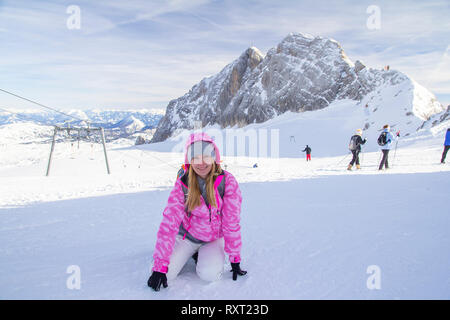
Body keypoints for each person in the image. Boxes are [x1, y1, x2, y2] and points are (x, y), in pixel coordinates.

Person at [147, 132, 247, 291]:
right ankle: (185, 252)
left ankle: (200, 254)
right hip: (188, 236)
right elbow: (169, 222)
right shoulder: (183, 184)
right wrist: (160, 266)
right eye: (195, 157)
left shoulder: (227, 181)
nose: (201, 163)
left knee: (210, 275)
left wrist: (235, 258)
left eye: (206, 156)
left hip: (213, 238)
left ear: (214, 157)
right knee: (166, 273)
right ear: (189, 160)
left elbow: (231, 221)